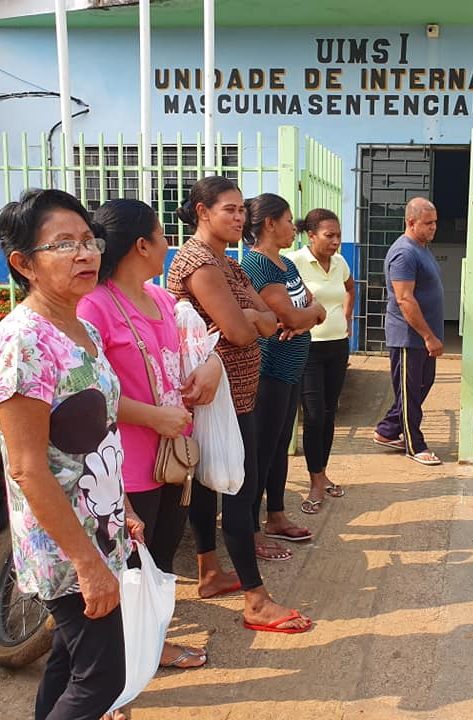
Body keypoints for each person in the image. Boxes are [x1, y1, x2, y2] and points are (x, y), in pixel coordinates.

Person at [0, 189, 144, 719]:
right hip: (65, 549)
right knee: (103, 679)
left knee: (68, 659)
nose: (85, 254)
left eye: (88, 240)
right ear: (23, 263)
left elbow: (101, 435)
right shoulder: (23, 343)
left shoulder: (83, 328)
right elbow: (27, 467)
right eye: (63, 245)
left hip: (100, 525)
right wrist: (86, 564)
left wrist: (125, 510)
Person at [77, 198, 224, 669]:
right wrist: (153, 417)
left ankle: (149, 646)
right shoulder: (93, 308)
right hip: (124, 469)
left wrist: (212, 369)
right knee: (127, 572)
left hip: (173, 461)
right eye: (163, 234)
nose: (169, 243)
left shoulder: (163, 300)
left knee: (158, 565)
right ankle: (113, 667)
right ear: (142, 245)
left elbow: (202, 350)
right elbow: (84, 396)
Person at [167, 177, 312, 633]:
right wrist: (251, 319)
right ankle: (256, 599)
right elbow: (245, 331)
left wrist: (253, 318)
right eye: (228, 209)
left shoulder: (228, 264)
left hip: (238, 393)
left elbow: (271, 321)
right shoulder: (198, 262)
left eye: (240, 211)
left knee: (217, 484)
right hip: (219, 397)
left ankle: (210, 572)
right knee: (237, 489)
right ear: (201, 211)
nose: (237, 218)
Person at [239, 194, 326, 552]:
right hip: (270, 370)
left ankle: (276, 515)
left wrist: (303, 319)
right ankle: (251, 529)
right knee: (261, 450)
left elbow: (313, 308)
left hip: (292, 370)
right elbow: (289, 317)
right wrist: (302, 318)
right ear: (270, 224)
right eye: (289, 220)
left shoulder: (287, 265)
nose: (295, 227)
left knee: (278, 447)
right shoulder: (258, 266)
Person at [287, 208, 356, 514]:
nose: (336, 241)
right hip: (308, 348)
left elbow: (350, 288)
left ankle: (322, 472)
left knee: (329, 413)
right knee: (313, 415)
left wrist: (347, 317)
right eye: (329, 235)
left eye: (339, 235)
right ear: (310, 235)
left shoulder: (340, 262)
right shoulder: (294, 262)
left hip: (337, 347)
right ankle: (315, 481)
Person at [372, 197, 445, 465]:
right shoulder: (404, 253)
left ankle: (387, 431)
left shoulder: (421, 248)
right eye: (427, 223)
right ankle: (414, 444)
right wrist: (428, 336)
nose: (433, 228)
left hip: (421, 337)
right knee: (411, 391)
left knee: (421, 386)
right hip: (408, 337)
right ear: (411, 222)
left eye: (435, 222)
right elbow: (405, 299)